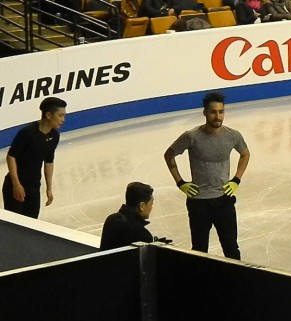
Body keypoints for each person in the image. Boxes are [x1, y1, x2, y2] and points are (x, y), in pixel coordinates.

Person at [164, 92, 250, 260]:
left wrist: (236, 179)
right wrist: (180, 182)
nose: (217, 116)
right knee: (199, 250)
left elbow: (245, 154)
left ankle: (237, 283)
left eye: (221, 112)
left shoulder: (233, 135)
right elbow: (169, 155)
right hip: (198, 204)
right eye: (213, 112)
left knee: (231, 248)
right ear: (205, 112)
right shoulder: (191, 136)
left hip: (224, 201)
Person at [2, 97, 67, 219]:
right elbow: (11, 156)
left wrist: (49, 188)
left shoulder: (54, 136)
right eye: (60, 115)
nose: (63, 120)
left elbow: (49, 161)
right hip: (15, 186)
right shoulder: (27, 132)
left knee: (32, 224)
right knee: (15, 225)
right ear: (48, 115)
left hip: (34, 187)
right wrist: (16, 184)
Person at [101, 182, 155, 250]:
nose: (151, 207)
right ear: (142, 206)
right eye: (151, 204)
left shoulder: (111, 220)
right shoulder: (142, 235)